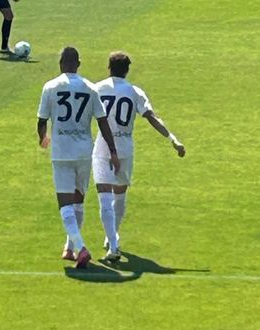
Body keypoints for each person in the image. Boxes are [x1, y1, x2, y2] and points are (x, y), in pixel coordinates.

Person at [92, 51, 185, 262]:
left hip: (103, 147)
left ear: (109, 68)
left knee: (104, 197)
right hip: (125, 148)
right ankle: (112, 240)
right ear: (127, 70)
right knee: (119, 195)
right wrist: (172, 138)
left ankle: (112, 241)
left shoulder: (97, 88)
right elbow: (151, 117)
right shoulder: (134, 92)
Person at [37, 46, 120, 269]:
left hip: (62, 152)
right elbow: (103, 121)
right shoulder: (91, 88)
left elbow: (42, 120)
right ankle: (70, 247)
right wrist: (112, 151)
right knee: (78, 201)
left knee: (64, 203)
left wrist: (43, 138)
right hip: (84, 152)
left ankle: (81, 247)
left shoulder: (50, 86)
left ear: (61, 63)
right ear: (79, 64)